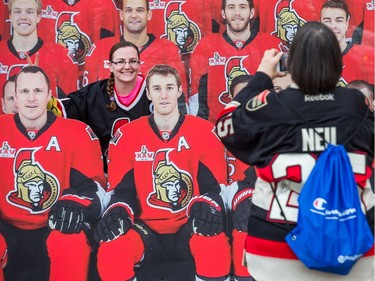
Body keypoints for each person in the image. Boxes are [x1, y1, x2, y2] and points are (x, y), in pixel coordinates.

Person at [216, 21, 374, 281]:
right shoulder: (356, 104)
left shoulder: (271, 105)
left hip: (276, 248)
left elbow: (224, 125)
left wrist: (262, 78)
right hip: (353, 242)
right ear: (337, 63)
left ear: (292, 63)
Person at [93, 64, 231, 281]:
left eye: (169, 87)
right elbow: (122, 192)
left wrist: (207, 206)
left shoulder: (203, 131)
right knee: (113, 248)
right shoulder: (127, 135)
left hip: (189, 224)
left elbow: (215, 189)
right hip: (145, 228)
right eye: (157, 89)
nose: (164, 95)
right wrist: (119, 212)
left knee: (212, 241)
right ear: (148, 93)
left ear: (179, 91)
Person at [0, 65, 106, 281]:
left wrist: (75, 203)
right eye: (24, 92)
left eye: (38, 91)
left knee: (70, 239)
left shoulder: (75, 132)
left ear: (49, 95)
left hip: (54, 226)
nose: (31, 98)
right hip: (7, 228)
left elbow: (94, 188)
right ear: (15, 97)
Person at [49, 41, 152, 171]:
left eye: (132, 61)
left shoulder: (153, 91)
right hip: (105, 177)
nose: (127, 66)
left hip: (146, 173)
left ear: (139, 64)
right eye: (120, 62)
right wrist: (39, 89)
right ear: (109, 65)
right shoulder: (95, 94)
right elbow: (61, 110)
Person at [83, 0, 188, 113]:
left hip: (153, 126)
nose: (134, 15)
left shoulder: (168, 50)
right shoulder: (100, 48)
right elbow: (88, 101)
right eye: (128, 10)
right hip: (108, 126)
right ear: (121, 15)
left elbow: (179, 103)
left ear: (149, 14)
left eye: (140, 10)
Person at [189, 0, 281, 123]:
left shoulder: (271, 45)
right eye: (231, 7)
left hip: (261, 128)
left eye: (242, 7)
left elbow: (281, 91)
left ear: (252, 12)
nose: (237, 13)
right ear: (223, 13)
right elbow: (196, 95)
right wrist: (203, 127)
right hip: (219, 128)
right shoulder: (206, 46)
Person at [0, 0, 79, 98]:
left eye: (29, 12)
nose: (23, 17)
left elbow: (69, 107)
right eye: (17, 11)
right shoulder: (1, 53)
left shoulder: (61, 56)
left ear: (38, 16)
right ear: (10, 16)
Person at [320, 0, 373, 84]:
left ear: (347, 23)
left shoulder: (363, 59)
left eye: (339, 20)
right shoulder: (312, 59)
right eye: (327, 21)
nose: (333, 26)